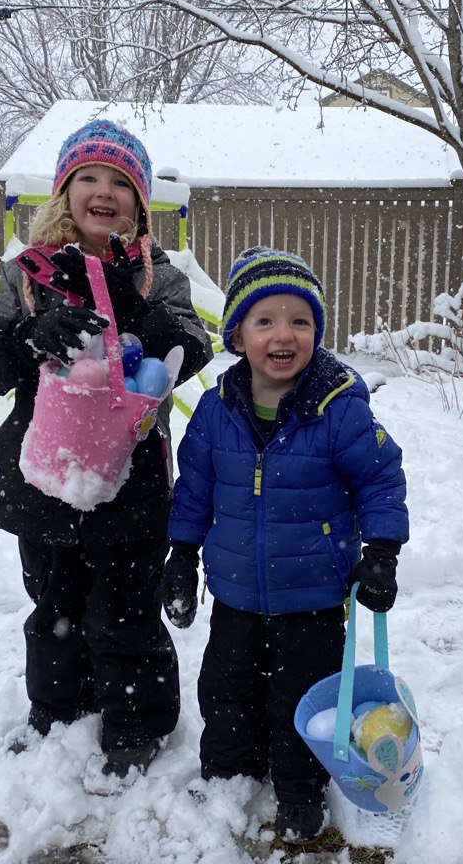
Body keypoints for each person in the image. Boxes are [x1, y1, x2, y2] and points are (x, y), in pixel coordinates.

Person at [0, 119, 212, 778]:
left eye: (120, 183)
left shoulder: (160, 275)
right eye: (88, 178)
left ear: (139, 200)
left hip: (132, 482)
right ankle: (58, 709)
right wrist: (32, 334)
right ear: (64, 191)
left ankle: (137, 721)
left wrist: (135, 310)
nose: (104, 193)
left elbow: (192, 349)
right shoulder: (30, 273)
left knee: (127, 610)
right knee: (54, 608)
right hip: (42, 479)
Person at [163, 247, 409, 841]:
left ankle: (301, 788)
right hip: (236, 592)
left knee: (303, 698)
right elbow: (193, 490)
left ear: (317, 333)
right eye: (264, 320)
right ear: (238, 333)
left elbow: (381, 478)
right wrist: (180, 556)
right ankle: (228, 773)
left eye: (300, 321)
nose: (283, 335)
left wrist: (380, 552)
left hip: (315, 595)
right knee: (226, 688)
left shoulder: (338, 410)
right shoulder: (216, 412)